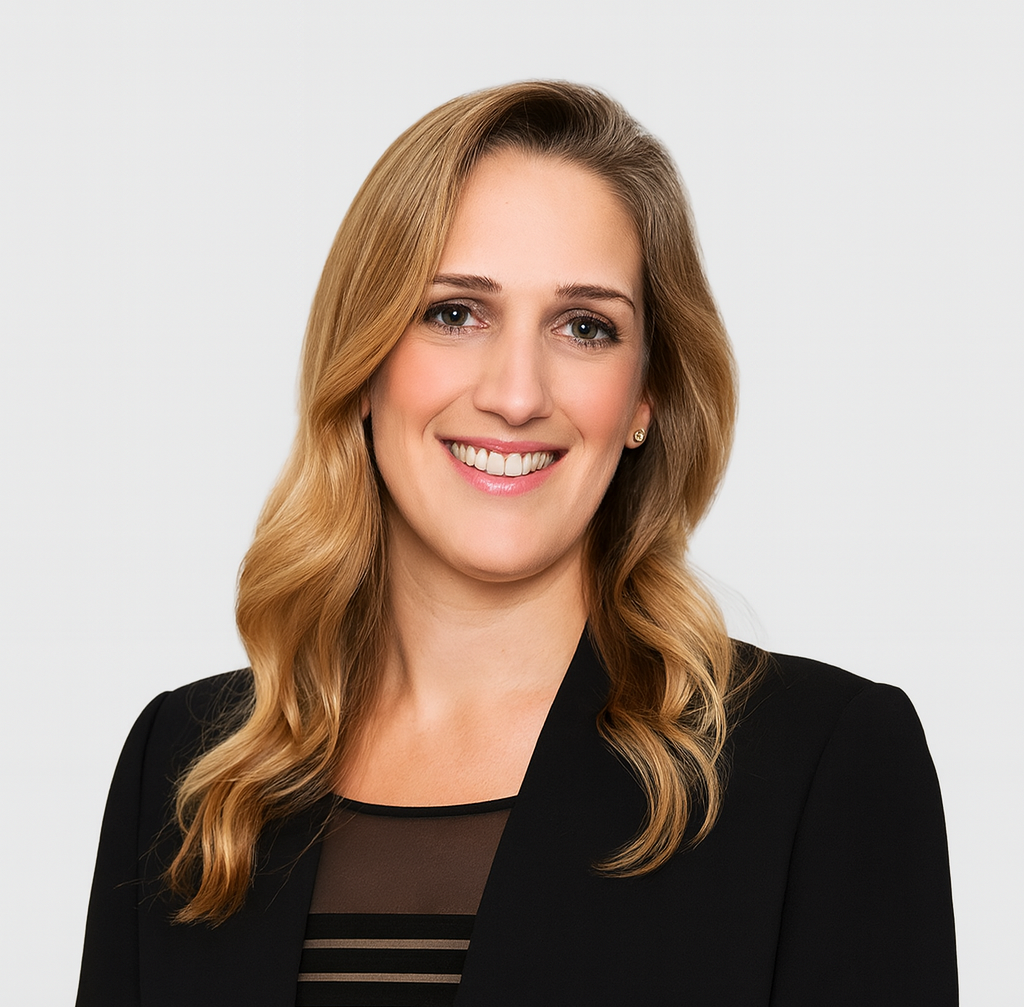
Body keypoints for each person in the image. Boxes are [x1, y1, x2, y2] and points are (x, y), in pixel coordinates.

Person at [76, 80, 957, 1006]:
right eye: (455, 312)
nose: (517, 392)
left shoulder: (824, 764)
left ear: (645, 397)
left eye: (585, 327)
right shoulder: (186, 776)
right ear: (366, 361)